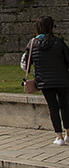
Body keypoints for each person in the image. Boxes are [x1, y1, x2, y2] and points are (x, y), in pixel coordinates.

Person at [26, 15, 69, 145]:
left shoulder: (32, 43)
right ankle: (68, 134)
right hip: (63, 80)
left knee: (53, 108)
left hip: (44, 81)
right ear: (51, 28)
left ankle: (59, 137)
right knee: (65, 106)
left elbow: (25, 63)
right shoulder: (59, 42)